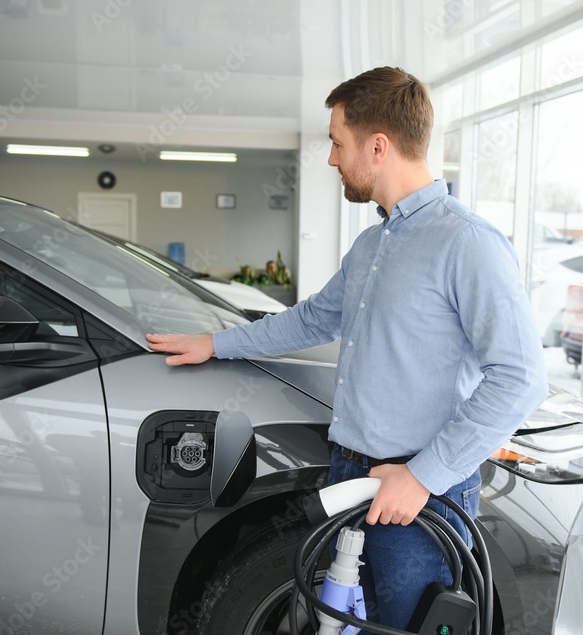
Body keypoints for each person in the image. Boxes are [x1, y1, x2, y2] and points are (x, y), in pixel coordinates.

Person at [147, 66, 548, 630]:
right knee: (342, 622)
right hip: (349, 473)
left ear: (378, 146)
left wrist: (425, 476)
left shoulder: (467, 243)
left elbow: (521, 377)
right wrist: (215, 343)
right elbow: (314, 319)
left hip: (417, 494)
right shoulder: (372, 243)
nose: (333, 158)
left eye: (338, 143)